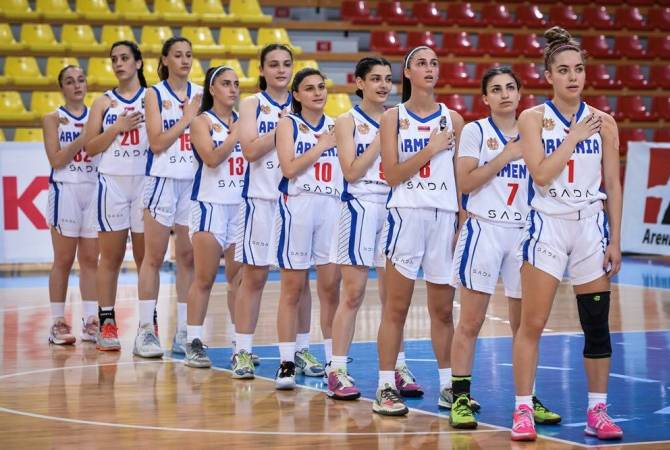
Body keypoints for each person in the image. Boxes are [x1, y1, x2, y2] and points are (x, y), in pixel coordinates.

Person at [511, 27, 622, 441]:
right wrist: (574, 137)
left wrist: (614, 239)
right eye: (564, 70)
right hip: (548, 226)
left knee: (596, 324)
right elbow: (540, 174)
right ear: (548, 75)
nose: (573, 77)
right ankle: (523, 409)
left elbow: (613, 182)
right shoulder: (532, 118)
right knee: (533, 323)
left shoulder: (606, 122)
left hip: (590, 229)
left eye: (578, 69)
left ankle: (598, 411)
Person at [448, 67, 559, 429]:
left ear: (520, 92)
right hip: (483, 229)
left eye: (510, 87)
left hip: (524, 233)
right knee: (471, 321)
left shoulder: (537, 133)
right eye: (496, 89)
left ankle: (526, 400)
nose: (504, 94)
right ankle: (460, 397)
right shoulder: (475, 132)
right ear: (485, 98)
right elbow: (464, 181)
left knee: (525, 325)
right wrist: (503, 157)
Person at [373, 46, 463, 416]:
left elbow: (459, 176)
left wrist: (462, 218)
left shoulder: (454, 119)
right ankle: (384, 387)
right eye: (421, 63)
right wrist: (429, 149)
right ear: (407, 73)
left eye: (434, 62)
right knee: (397, 308)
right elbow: (392, 175)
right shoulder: (392, 117)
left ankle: (449, 388)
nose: (429, 68)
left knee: (443, 312)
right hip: (406, 214)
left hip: (443, 217)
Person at [327, 56, 422, 400]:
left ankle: (397, 365)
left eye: (388, 79)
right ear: (360, 83)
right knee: (353, 294)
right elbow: (351, 171)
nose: (384, 85)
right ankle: (337, 369)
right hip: (360, 206)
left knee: (392, 298)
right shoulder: (346, 121)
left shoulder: (400, 119)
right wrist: (380, 139)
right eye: (376, 79)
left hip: (396, 207)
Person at [232, 44, 320, 379]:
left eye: (286, 64)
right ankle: (243, 351)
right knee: (253, 276)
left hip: (298, 202)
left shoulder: (310, 107)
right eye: (273, 64)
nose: (281, 70)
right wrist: (286, 126)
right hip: (262, 199)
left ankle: (301, 349)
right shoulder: (254, 103)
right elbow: (251, 150)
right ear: (262, 69)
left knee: (301, 282)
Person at [130, 37, 203, 356]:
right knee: (154, 258)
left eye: (189, 55)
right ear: (164, 60)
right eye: (178, 55)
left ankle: (185, 331)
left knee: (188, 258)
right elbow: (157, 142)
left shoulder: (202, 93)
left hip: (193, 182)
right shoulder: (154, 94)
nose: (184, 60)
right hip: (162, 180)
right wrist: (187, 119)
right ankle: (145, 331)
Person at [273, 68, 341, 390]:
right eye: (309, 88)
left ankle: (333, 363)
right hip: (297, 208)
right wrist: (321, 146)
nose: (317, 92)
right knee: (293, 289)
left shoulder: (339, 125)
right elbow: (288, 168)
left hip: (331, 208)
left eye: (321, 87)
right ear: (297, 95)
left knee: (330, 290)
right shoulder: (289, 124)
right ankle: (286, 362)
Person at [84, 41, 151, 354]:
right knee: (109, 258)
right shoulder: (103, 102)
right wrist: (117, 128)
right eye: (114, 59)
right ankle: (107, 322)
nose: (119, 63)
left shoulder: (152, 97)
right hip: (112, 183)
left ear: (138, 63)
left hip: (144, 184)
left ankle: (147, 327)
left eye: (125, 58)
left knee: (145, 260)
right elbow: (90, 147)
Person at [184, 65, 244, 368]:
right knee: (204, 278)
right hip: (209, 205)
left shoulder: (244, 121)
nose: (232, 89)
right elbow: (211, 158)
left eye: (235, 84)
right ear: (212, 89)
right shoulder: (201, 122)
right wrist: (235, 136)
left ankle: (239, 345)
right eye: (225, 83)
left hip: (239, 207)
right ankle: (193, 341)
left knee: (238, 281)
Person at [43, 65, 99, 346]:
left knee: (90, 261)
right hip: (65, 190)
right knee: (63, 261)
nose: (77, 85)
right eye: (69, 81)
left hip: (93, 189)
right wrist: (85, 136)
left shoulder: (97, 116)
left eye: (81, 79)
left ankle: (91, 321)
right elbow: (56, 160)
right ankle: (57, 323)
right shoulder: (53, 119)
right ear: (61, 88)